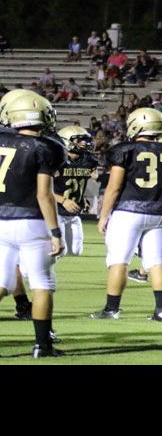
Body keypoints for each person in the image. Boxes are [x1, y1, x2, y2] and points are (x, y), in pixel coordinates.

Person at [91, 108, 162, 323]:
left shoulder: (125, 149)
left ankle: (111, 309)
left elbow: (113, 188)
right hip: (161, 214)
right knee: (156, 263)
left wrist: (104, 215)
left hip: (128, 212)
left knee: (119, 262)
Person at [0, 91, 65, 357]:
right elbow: (44, 195)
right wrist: (56, 232)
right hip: (31, 222)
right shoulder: (47, 147)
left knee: (1, 283)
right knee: (42, 283)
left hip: (1, 221)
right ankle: (43, 345)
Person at [54, 126, 99, 257]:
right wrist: (63, 200)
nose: (84, 144)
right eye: (80, 140)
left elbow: (75, 182)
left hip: (74, 213)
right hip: (55, 212)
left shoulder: (88, 161)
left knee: (75, 252)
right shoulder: (55, 160)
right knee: (59, 252)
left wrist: (81, 198)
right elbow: (40, 189)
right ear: (66, 141)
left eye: (85, 140)